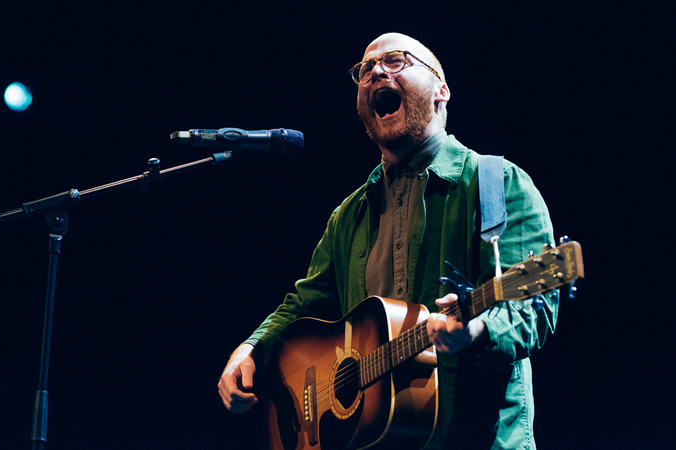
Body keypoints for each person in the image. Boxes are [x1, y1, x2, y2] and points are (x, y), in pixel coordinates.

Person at [217, 32, 557, 449]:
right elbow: (305, 303)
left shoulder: (496, 184)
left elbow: (531, 310)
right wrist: (252, 349)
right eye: (365, 69)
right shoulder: (349, 214)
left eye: (397, 60)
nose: (376, 70)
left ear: (440, 91)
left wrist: (476, 331)